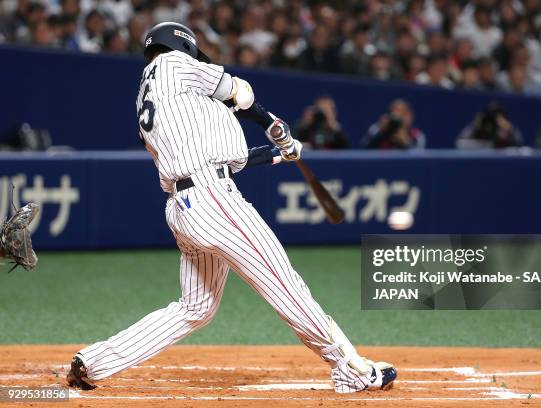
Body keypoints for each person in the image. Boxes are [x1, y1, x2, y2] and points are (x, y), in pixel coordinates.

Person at [65, 22, 396, 394]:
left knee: (196, 308)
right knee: (285, 283)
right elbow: (241, 93)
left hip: (184, 206)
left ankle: (93, 363)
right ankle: (349, 369)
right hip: (213, 200)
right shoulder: (174, 64)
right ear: (180, 46)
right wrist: (271, 122)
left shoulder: (154, 96)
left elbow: (221, 156)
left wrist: (278, 152)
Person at [456, 102, 523, 149]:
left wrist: (510, 129)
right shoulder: (479, 124)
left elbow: (519, 142)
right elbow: (460, 142)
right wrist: (475, 126)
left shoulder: (504, 128)